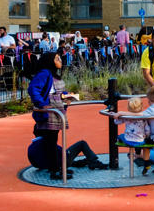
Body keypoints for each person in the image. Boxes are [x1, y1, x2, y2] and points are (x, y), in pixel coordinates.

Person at [27, 51, 103, 179]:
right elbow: (33, 89)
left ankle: (58, 168)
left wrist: (70, 97)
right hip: (50, 113)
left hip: (56, 111)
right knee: (51, 141)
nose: (60, 60)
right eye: (57, 59)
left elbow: (58, 93)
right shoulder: (45, 73)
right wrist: (42, 104)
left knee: (53, 140)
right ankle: (55, 171)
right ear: (50, 61)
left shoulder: (53, 75)